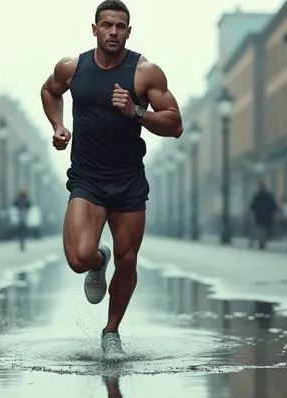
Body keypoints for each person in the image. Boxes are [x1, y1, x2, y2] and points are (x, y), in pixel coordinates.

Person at [40, 0, 183, 359]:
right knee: (78, 258)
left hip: (128, 180)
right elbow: (49, 91)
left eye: (120, 26)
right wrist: (58, 126)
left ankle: (111, 331)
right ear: (94, 29)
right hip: (87, 178)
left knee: (129, 259)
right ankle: (97, 262)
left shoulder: (145, 73)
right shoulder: (72, 68)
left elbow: (175, 124)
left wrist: (135, 111)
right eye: (107, 25)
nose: (113, 32)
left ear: (129, 32)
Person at [248, 182, 277, 250]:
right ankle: (262, 241)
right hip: (266, 216)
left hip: (260, 216)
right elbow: (273, 206)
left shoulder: (257, 195)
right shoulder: (268, 195)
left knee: (260, 229)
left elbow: (252, 206)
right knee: (264, 229)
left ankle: (260, 241)